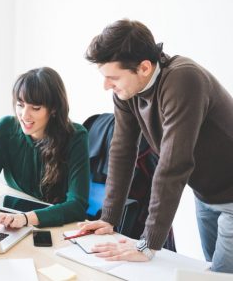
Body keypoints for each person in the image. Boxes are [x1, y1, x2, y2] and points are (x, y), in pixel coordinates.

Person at [79, 19, 233, 273]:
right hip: (206, 194)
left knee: (222, 275)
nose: (106, 85)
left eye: (112, 77)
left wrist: (147, 244)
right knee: (213, 274)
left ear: (144, 68)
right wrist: (109, 218)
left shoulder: (183, 79)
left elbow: (174, 163)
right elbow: (122, 150)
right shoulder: (126, 92)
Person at [0, 67, 90, 228]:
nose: (24, 115)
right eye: (20, 105)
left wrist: (25, 218)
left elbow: (77, 206)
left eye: (35, 108)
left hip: (53, 222)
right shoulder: (5, 128)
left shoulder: (75, 136)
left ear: (53, 109)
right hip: (13, 214)